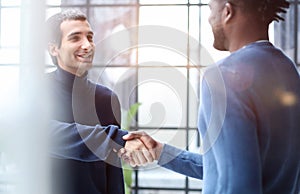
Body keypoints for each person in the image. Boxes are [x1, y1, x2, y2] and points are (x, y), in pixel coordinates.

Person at [120, 0, 300, 193]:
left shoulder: (224, 75)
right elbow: (224, 168)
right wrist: (160, 151)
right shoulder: (289, 71)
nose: (209, 18)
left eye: (210, 9)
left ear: (227, 12)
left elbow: (236, 184)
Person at [45, 9, 153, 194]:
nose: (87, 45)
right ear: (54, 48)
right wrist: (115, 138)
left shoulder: (106, 99)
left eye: (90, 37)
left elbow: (113, 172)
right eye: (75, 38)